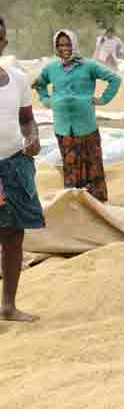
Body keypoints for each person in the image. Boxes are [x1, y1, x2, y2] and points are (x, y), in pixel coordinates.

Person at [33, 29, 122, 202]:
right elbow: (39, 84)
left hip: (86, 126)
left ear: (74, 44)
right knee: (70, 165)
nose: (64, 48)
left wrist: (103, 100)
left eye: (67, 44)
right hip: (63, 127)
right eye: (60, 45)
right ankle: (75, 204)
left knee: (92, 165)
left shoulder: (88, 66)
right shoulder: (52, 68)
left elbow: (115, 79)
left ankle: (96, 203)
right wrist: (46, 100)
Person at [0, 16, 45, 322]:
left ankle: (8, 305)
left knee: (13, 236)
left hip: (15, 163)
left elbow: (27, 119)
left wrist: (33, 137)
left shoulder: (16, 79)